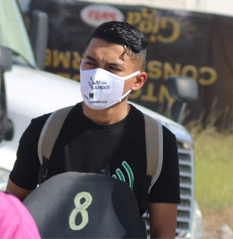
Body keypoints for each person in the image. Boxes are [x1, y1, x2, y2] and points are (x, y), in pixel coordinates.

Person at [6, 21, 180, 239]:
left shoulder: (159, 143)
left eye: (112, 68)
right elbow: (11, 211)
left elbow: (162, 231)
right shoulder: (44, 131)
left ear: (138, 81)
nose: (98, 75)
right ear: (80, 64)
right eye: (91, 63)